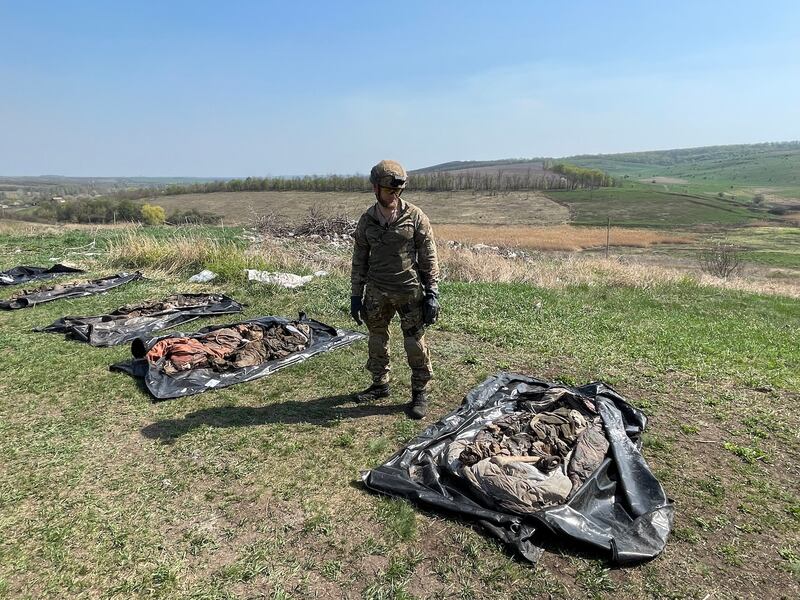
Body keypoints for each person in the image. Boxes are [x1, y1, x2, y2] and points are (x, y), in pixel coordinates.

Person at [350, 159, 440, 419]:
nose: (394, 195)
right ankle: (380, 384)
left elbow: (429, 256)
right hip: (377, 291)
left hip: (409, 290)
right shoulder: (367, 221)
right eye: (389, 190)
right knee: (377, 339)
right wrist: (356, 295)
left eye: (398, 191)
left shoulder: (415, 217)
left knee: (414, 342)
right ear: (375, 188)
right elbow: (359, 260)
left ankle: (419, 392)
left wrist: (432, 292)